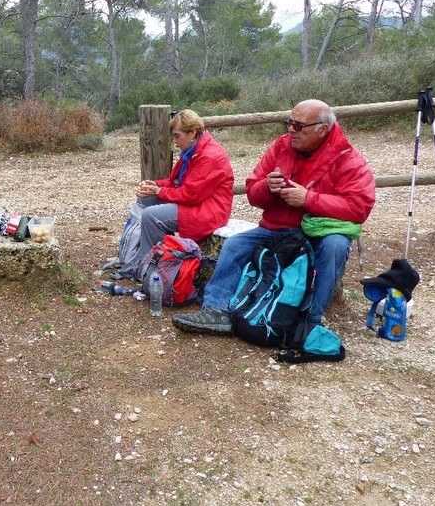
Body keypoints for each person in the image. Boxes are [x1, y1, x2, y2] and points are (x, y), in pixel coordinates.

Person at [172, 99, 375, 334]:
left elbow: (360, 206)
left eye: (299, 126)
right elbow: (252, 193)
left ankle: (310, 322)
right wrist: (267, 187)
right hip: (277, 227)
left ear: (323, 129)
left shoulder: (348, 158)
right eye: (290, 122)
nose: (291, 130)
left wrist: (308, 199)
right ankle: (216, 310)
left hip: (319, 232)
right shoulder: (281, 147)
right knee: (236, 245)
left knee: (335, 246)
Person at [125, 109, 234, 278]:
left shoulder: (210, 156)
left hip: (209, 210)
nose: (174, 141)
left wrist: (160, 191)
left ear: (192, 133)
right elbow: (176, 182)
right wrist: (154, 185)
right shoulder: (193, 151)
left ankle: (146, 267)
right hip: (197, 204)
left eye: (177, 135)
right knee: (145, 200)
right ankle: (159, 257)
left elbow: (190, 194)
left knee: (151, 216)